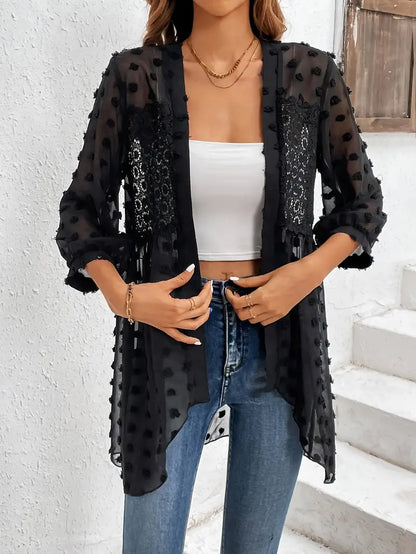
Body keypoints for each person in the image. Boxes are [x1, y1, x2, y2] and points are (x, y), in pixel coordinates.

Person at [55, 0, 388, 552]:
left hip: (280, 342)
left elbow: (364, 205)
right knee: (150, 544)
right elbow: (81, 212)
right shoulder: (136, 77)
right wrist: (124, 297)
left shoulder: (310, 75)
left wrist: (302, 276)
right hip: (171, 340)